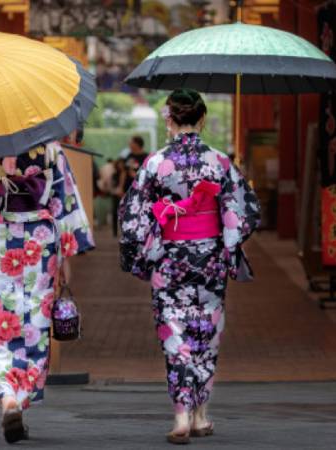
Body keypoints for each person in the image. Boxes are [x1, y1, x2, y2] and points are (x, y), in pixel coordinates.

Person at [118, 89, 261, 444]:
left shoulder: (154, 162)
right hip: (209, 258)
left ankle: (182, 416)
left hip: (169, 259)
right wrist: (227, 239)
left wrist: (155, 232)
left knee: (175, 333)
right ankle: (200, 414)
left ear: (170, 119)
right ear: (202, 119)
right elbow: (246, 212)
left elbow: (131, 216)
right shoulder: (219, 161)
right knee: (206, 332)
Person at [0, 141, 94, 444]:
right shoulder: (49, 147)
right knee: (34, 323)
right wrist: (66, 252)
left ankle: (8, 399)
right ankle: (21, 396)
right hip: (38, 241)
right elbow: (63, 200)